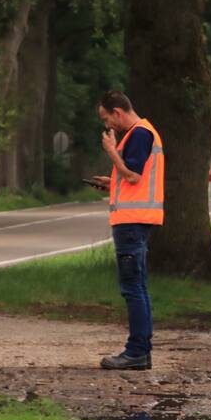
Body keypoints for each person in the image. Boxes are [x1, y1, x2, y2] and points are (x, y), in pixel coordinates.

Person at [92, 90, 165, 370]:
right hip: (136, 219)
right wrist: (111, 182)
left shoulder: (139, 134)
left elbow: (132, 174)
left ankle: (136, 351)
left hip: (132, 222)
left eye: (107, 118)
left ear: (117, 112)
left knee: (132, 287)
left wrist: (111, 153)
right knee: (138, 286)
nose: (107, 125)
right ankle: (140, 351)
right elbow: (134, 179)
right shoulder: (142, 134)